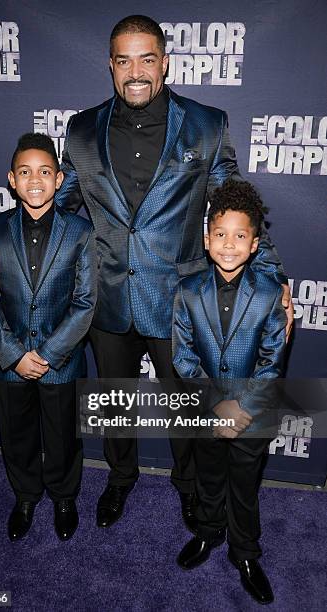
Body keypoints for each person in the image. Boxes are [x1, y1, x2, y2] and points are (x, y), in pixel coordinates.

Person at [0, 15, 293, 532]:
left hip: (180, 300)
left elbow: (235, 205)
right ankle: (120, 479)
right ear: (111, 66)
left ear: (165, 63)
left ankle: (188, 488)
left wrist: (274, 277)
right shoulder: (80, 130)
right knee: (114, 401)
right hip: (107, 297)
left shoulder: (207, 124)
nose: (136, 71)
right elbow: (60, 206)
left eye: (147, 59)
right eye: (125, 60)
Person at [0, 133, 96, 542]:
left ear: (59, 179)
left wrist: (46, 353)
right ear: (12, 179)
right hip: (9, 362)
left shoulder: (80, 232)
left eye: (45, 172)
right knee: (17, 433)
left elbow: (85, 302)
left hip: (59, 360)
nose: (35, 180)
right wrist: (15, 356)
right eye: (25, 172)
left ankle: (64, 497)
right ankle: (25, 495)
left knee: (63, 436)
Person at [172, 179, 287, 604]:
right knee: (209, 478)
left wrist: (240, 407)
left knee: (243, 486)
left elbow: (272, 362)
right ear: (206, 239)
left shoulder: (271, 294)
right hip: (205, 410)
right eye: (220, 234)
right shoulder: (186, 292)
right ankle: (207, 533)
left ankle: (246, 553)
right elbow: (183, 358)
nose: (229, 244)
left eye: (240, 236)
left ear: (255, 244)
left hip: (252, 418)